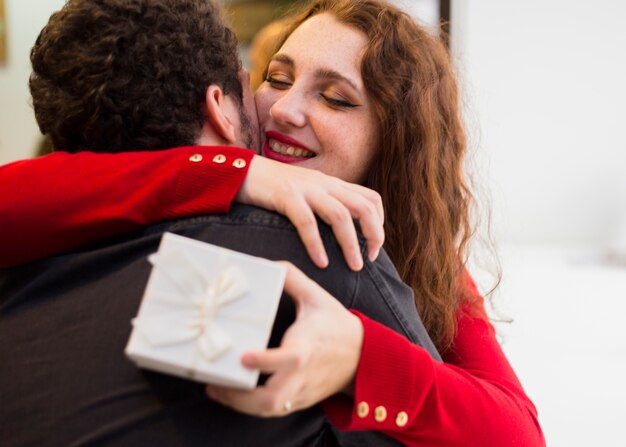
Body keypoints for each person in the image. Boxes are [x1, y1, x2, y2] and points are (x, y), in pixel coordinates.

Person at [0, 0, 545, 446]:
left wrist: (360, 356)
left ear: (395, 146)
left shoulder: (395, 253)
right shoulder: (273, 241)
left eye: (335, 98)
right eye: (276, 78)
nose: (283, 109)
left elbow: (518, 433)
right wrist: (234, 171)